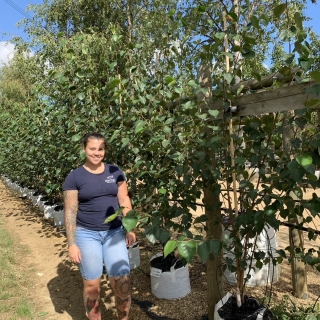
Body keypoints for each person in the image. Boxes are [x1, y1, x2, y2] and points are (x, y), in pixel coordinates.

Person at [63, 132, 136, 320]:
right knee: (92, 285)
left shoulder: (114, 171)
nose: (97, 153)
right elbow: (70, 211)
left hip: (114, 233)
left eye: (100, 149)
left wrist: (130, 227)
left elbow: (124, 199)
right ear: (84, 149)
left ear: (105, 150)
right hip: (87, 234)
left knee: (122, 281)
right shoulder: (74, 177)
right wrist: (72, 243)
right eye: (92, 149)